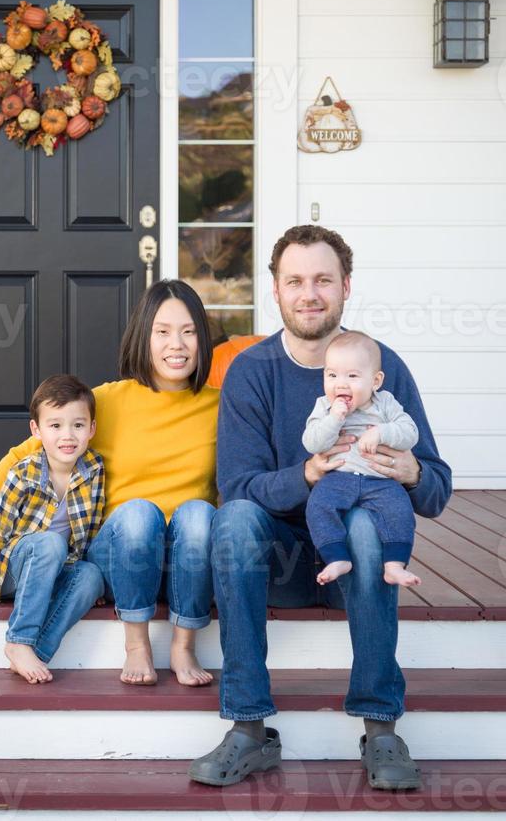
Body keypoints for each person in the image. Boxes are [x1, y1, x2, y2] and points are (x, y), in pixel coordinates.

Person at [189, 225, 452, 790]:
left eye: (323, 280)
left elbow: (436, 491)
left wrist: (412, 471)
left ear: (346, 286)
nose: (309, 293)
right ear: (276, 291)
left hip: (357, 565)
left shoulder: (383, 368)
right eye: (295, 281)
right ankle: (248, 729)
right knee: (232, 521)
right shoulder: (252, 372)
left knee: (363, 524)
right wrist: (309, 474)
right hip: (280, 562)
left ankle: (381, 728)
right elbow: (239, 488)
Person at [0, 280, 219, 688]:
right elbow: (18, 457)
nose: (178, 344)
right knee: (137, 512)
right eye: (163, 331)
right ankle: (136, 644)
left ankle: (184, 645)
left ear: (202, 339)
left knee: (200, 514)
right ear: (143, 336)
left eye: (188, 331)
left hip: (185, 563)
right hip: (122, 557)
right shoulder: (109, 401)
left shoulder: (220, 406)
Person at [0, 374, 105, 685]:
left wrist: (88, 589)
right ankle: (20, 638)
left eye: (77, 425)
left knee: (91, 576)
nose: (68, 435)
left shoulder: (95, 471)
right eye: (55, 425)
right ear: (36, 430)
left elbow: (88, 534)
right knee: (49, 543)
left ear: (91, 429)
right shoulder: (22, 474)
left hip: (57, 567)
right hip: (13, 568)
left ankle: (34, 651)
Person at [303, 330, 421, 588]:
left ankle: (394, 565)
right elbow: (312, 442)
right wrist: (334, 418)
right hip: (339, 478)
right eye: (332, 375)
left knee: (400, 509)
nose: (340, 384)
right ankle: (336, 557)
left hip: (380, 480)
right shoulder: (324, 406)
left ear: (375, 381)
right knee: (318, 505)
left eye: (352, 376)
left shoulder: (386, 403)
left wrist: (382, 432)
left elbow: (410, 433)